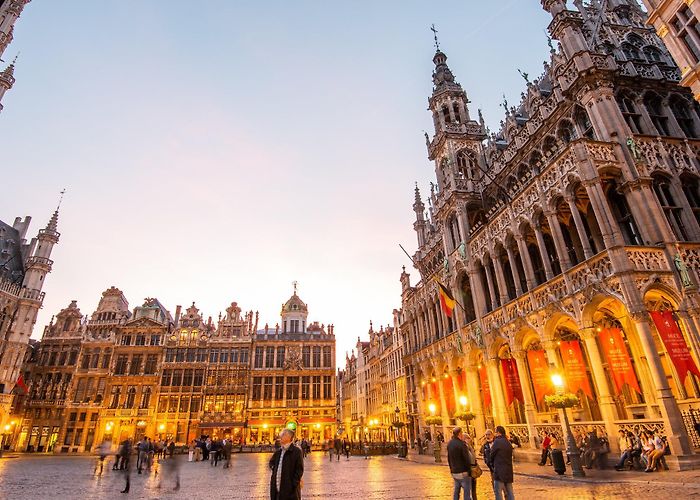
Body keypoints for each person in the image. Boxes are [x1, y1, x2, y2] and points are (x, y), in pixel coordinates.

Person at [269, 428, 304, 500]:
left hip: (290, 491)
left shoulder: (296, 451)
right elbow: (271, 462)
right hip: (277, 488)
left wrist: (293, 484)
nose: (280, 437)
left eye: (283, 435)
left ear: (289, 437)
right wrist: (275, 470)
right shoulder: (279, 451)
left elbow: (299, 470)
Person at [487, 426, 515, 500]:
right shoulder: (507, 442)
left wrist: (492, 465)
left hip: (499, 471)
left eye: (496, 432)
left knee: (498, 492)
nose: (495, 434)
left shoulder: (497, 442)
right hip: (508, 471)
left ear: (498, 432)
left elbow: (491, 455)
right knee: (510, 492)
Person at [447, 427, 472, 500]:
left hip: (454, 471)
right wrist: (469, 470)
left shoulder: (450, 443)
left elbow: (449, 458)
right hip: (463, 471)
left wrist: (451, 468)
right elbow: (466, 458)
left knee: (456, 491)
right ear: (459, 434)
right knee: (467, 492)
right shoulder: (461, 444)